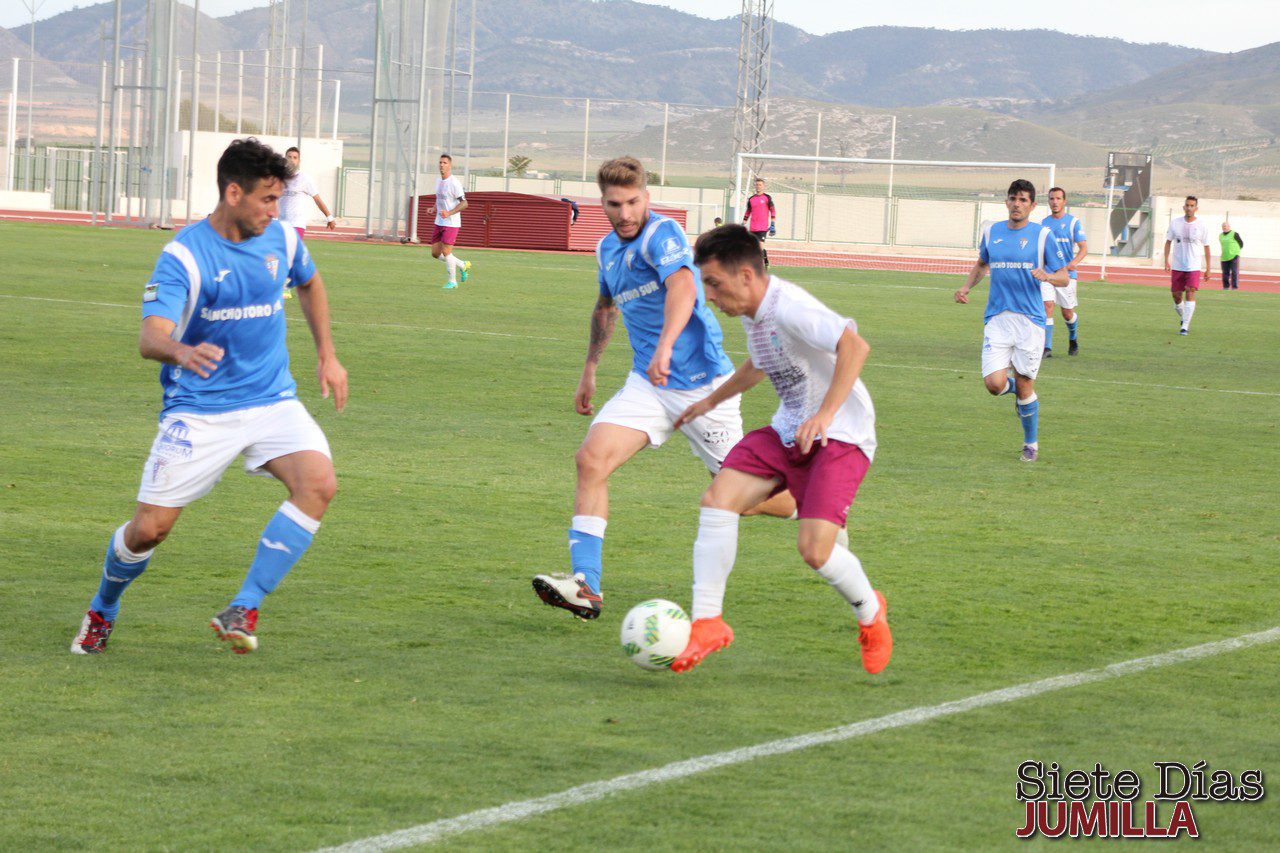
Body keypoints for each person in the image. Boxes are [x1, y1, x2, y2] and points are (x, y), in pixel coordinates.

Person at [70, 138, 349, 655]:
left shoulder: (282, 240)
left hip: (271, 399)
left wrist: (327, 355)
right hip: (200, 411)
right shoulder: (184, 256)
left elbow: (310, 284)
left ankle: (244, 605)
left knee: (318, 484)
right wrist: (181, 351)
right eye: (267, 199)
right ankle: (103, 607)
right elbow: (150, 337)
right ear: (233, 193)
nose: (276, 210)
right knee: (149, 531)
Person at [532, 157, 795, 621]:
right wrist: (590, 368)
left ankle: (810, 499)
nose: (625, 213)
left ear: (646, 198)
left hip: (703, 388)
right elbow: (605, 308)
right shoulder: (605, 249)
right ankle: (586, 585)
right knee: (591, 460)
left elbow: (682, 288)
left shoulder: (662, 233)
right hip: (648, 386)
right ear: (602, 203)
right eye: (615, 204)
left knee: (742, 500)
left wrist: (666, 345)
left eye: (633, 202)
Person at [667, 224, 891, 675]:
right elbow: (759, 364)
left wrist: (825, 414)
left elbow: (854, 345)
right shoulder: (754, 314)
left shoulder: (789, 307)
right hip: (788, 429)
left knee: (815, 552)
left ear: (746, 275)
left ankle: (871, 613)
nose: (709, 296)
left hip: (840, 436)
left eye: (714, 283)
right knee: (718, 500)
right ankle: (708, 622)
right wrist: (710, 401)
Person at [954, 179, 1068, 463]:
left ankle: (1031, 444)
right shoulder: (992, 232)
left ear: (1033, 205)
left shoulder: (1042, 236)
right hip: (997, 318)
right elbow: (982, 264)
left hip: (1030, 321)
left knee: (1026, 384)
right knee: (994, 385)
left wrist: (1048, 276)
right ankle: (1020, 391)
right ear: (1006, 202)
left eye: (1023, 200)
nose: (1017, 204)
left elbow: (1064, 277)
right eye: (1013, 199)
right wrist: (966, 287)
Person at [1039, 187, 1087, 356]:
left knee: (1067, 313)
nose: (1055, 202)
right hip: (1048, 274)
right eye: (1052, 198)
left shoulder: (1073, 223)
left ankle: (1073, 337)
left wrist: (1073, 263)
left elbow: (1083, 248)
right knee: (1047, 306)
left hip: (1066, 275)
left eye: (1058, 198)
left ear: (1064, 201)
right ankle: (1047, 347)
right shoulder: (1043, 224)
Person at [1163, 196, 1212, 335]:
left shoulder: (1202, 225)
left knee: (1190, 292)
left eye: (1192, 205)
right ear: (1184, 207)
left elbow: (1207, 247)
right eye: (1187, 205)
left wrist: (1208, 268)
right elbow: (1168, 242)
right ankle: (1185, 317)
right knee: (1176, 296)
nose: (1189, 208)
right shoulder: (1175, 223)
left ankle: (1184, 326)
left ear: (1196, 208)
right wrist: (1166, 260)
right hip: (1178, 265)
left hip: (1193, 266)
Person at [280, 146, 337, 239]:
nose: (292, 160)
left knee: (291, 248)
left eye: (295, 157)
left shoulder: (304, 178)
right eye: (289, 157)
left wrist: (329, 217)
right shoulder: (279, 177)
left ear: (299, 161)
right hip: (281, 224)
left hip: (296, 224)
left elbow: (317, 200)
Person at [433, 154, 471, 290]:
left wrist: (449, 213)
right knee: (435, 253)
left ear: (450, 165)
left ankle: (452, 281)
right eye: (440, 162)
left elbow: (465, 203)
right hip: (439, 221)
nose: (441, 165)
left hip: (451, 223)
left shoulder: (454, 183)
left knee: (446, 252)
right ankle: (462, 265)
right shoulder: (438, 181)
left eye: (444, 163)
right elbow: (440, 199)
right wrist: (433, 208)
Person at [742, 177, 776, 267]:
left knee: (760, 248)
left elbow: (773, 211)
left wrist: (773, 225)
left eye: (760, 185)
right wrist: (743, 222)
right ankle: (765, 261)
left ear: (763, 186)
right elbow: (748, 211)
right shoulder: (751, 199)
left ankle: (759, 265)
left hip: (762, 227)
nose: (758, 186)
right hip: (753, 227)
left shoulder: (767, 198)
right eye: (757, 185)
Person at [1220, 221, 1243, 290]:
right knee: (1225, 273)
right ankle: (1226, 287)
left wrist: (1236, 251)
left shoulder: (1234, 234)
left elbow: (1241, 243)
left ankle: (1234, 287)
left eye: (1226, 226)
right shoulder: (1220, 235)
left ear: (1229, 227)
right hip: (1224, 256)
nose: (1224, 227)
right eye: (1223, 226)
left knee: (1234, 271)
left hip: (1234, 256)